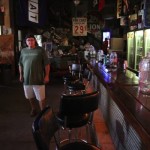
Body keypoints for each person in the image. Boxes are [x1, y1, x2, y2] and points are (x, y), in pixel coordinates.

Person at [18, 34, 50, 117]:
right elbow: (20, 64)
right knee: (29, 96)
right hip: (26, 79)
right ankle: (33, 108)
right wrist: (21, 75)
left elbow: (46, 64)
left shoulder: (40, 50)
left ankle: (42, 113)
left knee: (41, 98)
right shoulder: (23, 51)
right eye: (28, 40)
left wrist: (47, 75)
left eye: (32, 40)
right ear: (26, 42)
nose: (30, 42)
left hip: (38, 78)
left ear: (35, 40)